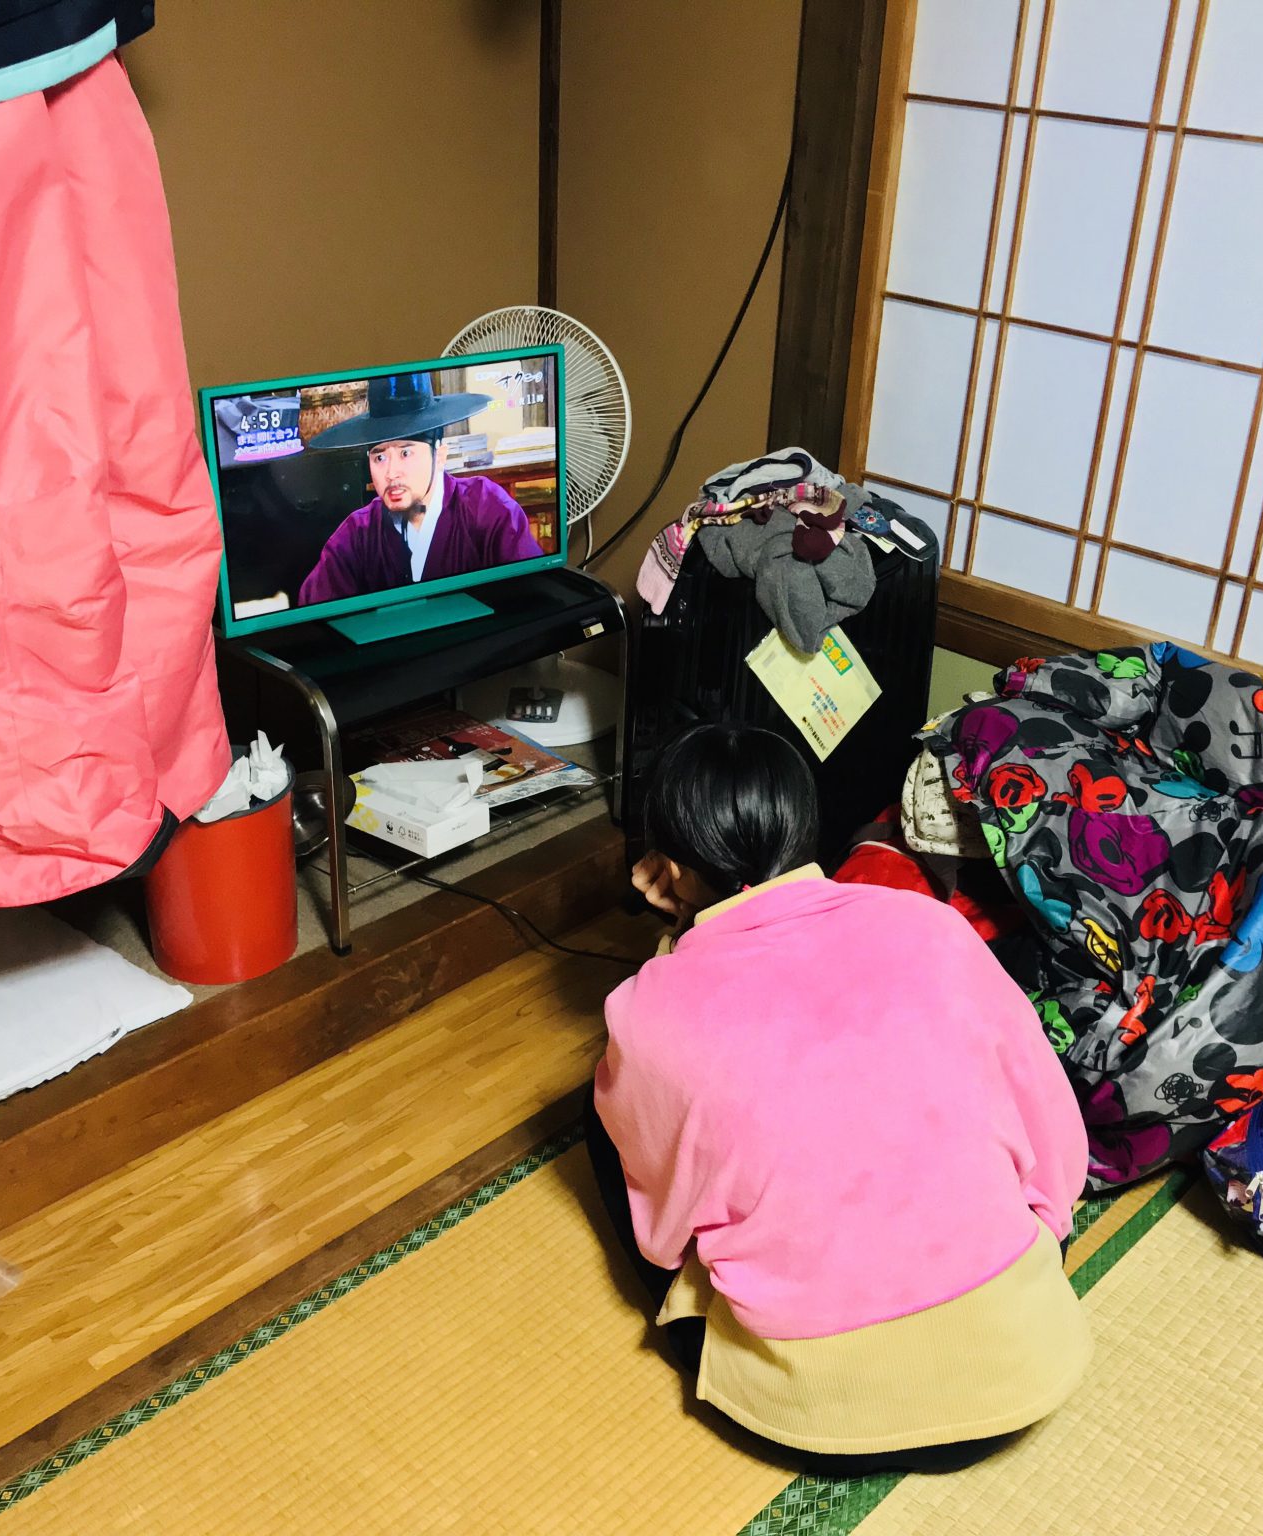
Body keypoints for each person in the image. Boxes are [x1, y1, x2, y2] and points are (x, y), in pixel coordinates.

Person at [590, 723, 1092, 1473]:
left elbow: (665, 1238)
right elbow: (1054, 1148)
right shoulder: (931, 926)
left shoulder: (643, 1010)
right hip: (1021, 1362)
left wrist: (676, 935)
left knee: (602, 1105)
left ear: (668, 865)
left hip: (815, 1414)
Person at [297, 373, 545, 605]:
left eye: (406, 453)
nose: (391, 473)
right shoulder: (356, 535)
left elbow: (532, 596)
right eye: (379, 457)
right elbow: (316, 614)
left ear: (440, 455)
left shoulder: (487, 509)